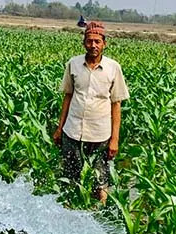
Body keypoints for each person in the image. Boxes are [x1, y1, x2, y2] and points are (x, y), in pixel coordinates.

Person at [52, 21, 130, 203]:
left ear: (104, 43)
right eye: (89, 41)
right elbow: (68, 97)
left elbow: (116, 104)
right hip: (72, 132)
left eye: (97, 41)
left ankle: (99, 216)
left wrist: (115, 139)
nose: (93, 45)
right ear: (83, 43)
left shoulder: (113, 68)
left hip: (100, 135)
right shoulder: (73, 64)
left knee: (99, 183)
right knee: (71, 179)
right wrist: (59, 128)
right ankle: (72, 213)